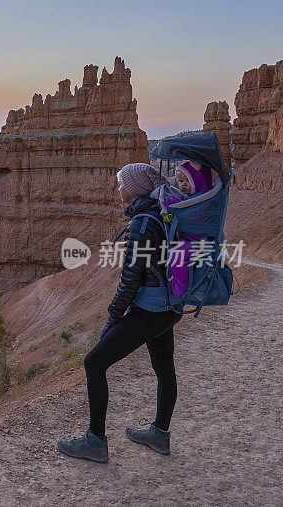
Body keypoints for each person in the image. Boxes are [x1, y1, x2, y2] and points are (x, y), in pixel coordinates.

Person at [57, 162, 181, 463]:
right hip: (169, 307)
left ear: (135, 189)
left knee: (94, 362)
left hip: (151, 309)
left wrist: (114, 316)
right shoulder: (161, 215)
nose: (118, 188)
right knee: (164, 369)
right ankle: (159, 435)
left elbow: (130, 280)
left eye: (121, 183)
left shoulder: (142, 224)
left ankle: (95, 441)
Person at [164, 161, 214, 297]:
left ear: (197, 179)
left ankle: (179, 287)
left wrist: (172, 202)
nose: (183, 185)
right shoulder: (193, 197)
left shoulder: (202, 198)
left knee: (177, 256)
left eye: (187, 180)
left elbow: (189, 212)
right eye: (180, 181)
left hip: (200, 242)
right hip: (192, 240)